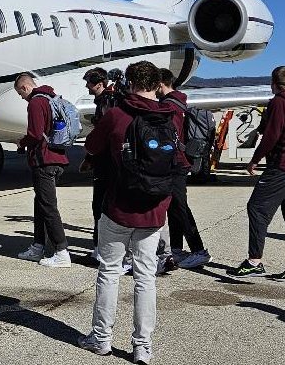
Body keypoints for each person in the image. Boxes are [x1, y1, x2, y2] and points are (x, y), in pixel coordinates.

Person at [78, 61, 175, 364]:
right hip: (154, 210)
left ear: (129, 83)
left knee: (109, 272)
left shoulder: (117, 114)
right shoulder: (171, 115)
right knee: (146, 278)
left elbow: (92, 145)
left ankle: (101, 338)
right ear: (157, 84)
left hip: (119, 206)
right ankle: (142, 347)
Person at [227, 66, 285, 283]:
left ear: (273, 83)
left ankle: (254, 262)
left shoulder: (279, 102)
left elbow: (271, 136)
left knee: (256, 208)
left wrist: (254, 160)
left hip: (282, 167)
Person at [13, 74, 71, 267]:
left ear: (25, 87)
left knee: (48, 206)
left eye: (20, 93)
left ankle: (61, 252)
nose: (21, 98)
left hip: (44, 161)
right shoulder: (51, 98)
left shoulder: (36, 103)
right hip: (57, 157)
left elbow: (36, 134)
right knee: (40, 204)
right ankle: (38, 246)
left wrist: (22, 142)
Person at [157, 68, 212, 270]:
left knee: (180, 207)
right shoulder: (180, 102)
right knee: (174, 207)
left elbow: (169, 137)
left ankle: (199, 250)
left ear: (160, 84)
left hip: (176, 162)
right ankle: (177, 248)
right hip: (181, 160)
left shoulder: (168, 106)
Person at [80, 67, 122, 263]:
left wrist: (90, 156)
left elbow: (103, 135)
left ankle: (100, 250)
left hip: (105, 163)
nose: (86, 87)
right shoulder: (109, 100)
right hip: (110, 162)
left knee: (100, 206)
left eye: (89, 83)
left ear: (99, 84)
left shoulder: (106, 103)